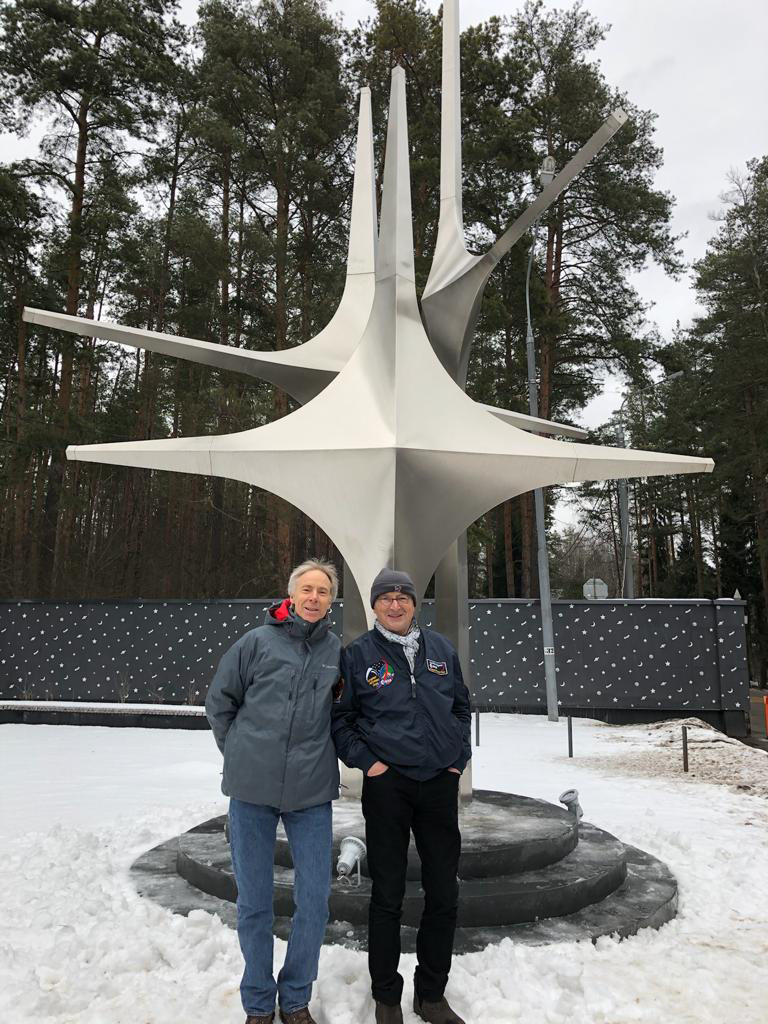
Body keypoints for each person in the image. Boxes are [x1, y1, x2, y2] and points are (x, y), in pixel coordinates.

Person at [331, 568, 471, 1024]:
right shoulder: (357, 656)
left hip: (437, 783)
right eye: (386, 598)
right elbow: (340, 719)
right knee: (387, 894)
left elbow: (461, 706)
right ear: (374, 606)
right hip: (387, 786)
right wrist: (370, 765)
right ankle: (387, 996)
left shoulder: (442, 650)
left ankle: (431, 993)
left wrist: (457, 758)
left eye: (403, 597)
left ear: (415, 603)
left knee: (443, 892)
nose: (395, 605)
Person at [205, 558, 341, 1024]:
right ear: (291, 594)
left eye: (323, 591)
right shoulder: (255, 643)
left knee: (316, 898)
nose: (313, 597)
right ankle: (259, 1002)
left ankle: (296, 997)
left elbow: (342, 716)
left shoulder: (336, 652)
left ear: (330, 601)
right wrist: (240, 752)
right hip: (251, 791)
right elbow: (219, 702)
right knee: (254, 900)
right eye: (307, 588)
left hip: (311, 793)